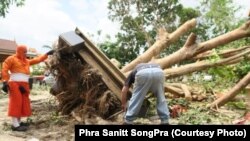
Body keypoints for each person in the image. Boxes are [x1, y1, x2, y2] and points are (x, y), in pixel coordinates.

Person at [1, 45, 54, 131]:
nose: (25, 53)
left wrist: (47, 54)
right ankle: (15, 125)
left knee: (22, 103)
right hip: (14, 84)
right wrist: (5, 81)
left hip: (24, 85)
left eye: (26, 51)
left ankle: (18, 122)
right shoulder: (11, 59)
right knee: (16, 103)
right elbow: (4, 68)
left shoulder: (26, 61)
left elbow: (37, 60)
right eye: (24, 52)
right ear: (19, 51)